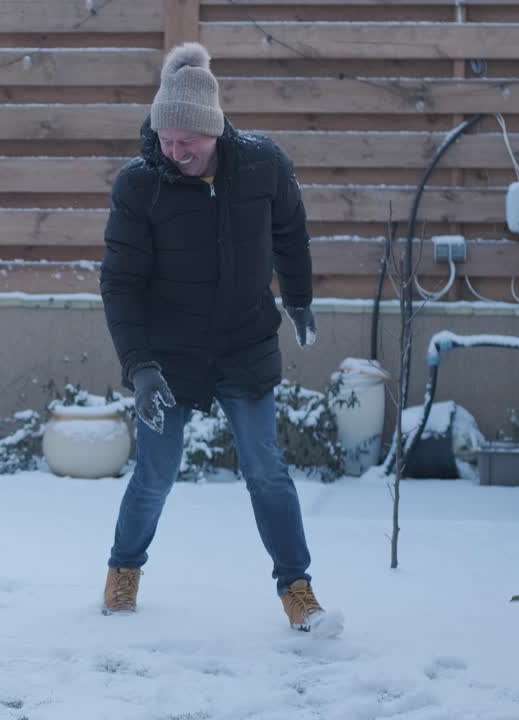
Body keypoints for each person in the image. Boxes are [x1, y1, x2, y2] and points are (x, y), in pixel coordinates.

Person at [99, 42, 339, 634]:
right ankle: (122, 571)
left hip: (244, 342)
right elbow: (120, 282)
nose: (174, 153)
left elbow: (291, 232)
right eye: (164, 140)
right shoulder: (139, 185)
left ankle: (297, 589)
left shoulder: (263, 164)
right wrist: (140, 366)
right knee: (155, 471)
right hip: (167, 353)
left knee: (265, 467)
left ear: (215, 130)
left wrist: (300, 298)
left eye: (188, 143)